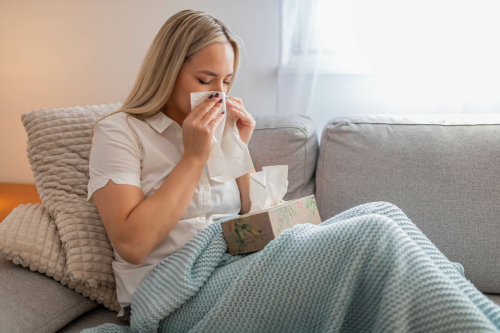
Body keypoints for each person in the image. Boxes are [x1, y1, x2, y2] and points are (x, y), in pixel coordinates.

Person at [86, 9, 254, 321]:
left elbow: (256, 217)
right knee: (365, 237)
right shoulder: (119, 131)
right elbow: (132, 244)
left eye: (227, 80)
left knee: (373, 219)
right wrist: (193, 157)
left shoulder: (221, 128)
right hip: (165, 294)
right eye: (205, 80)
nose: (218, 94)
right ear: (168, 71)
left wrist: (238, 147)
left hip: (233, 271)